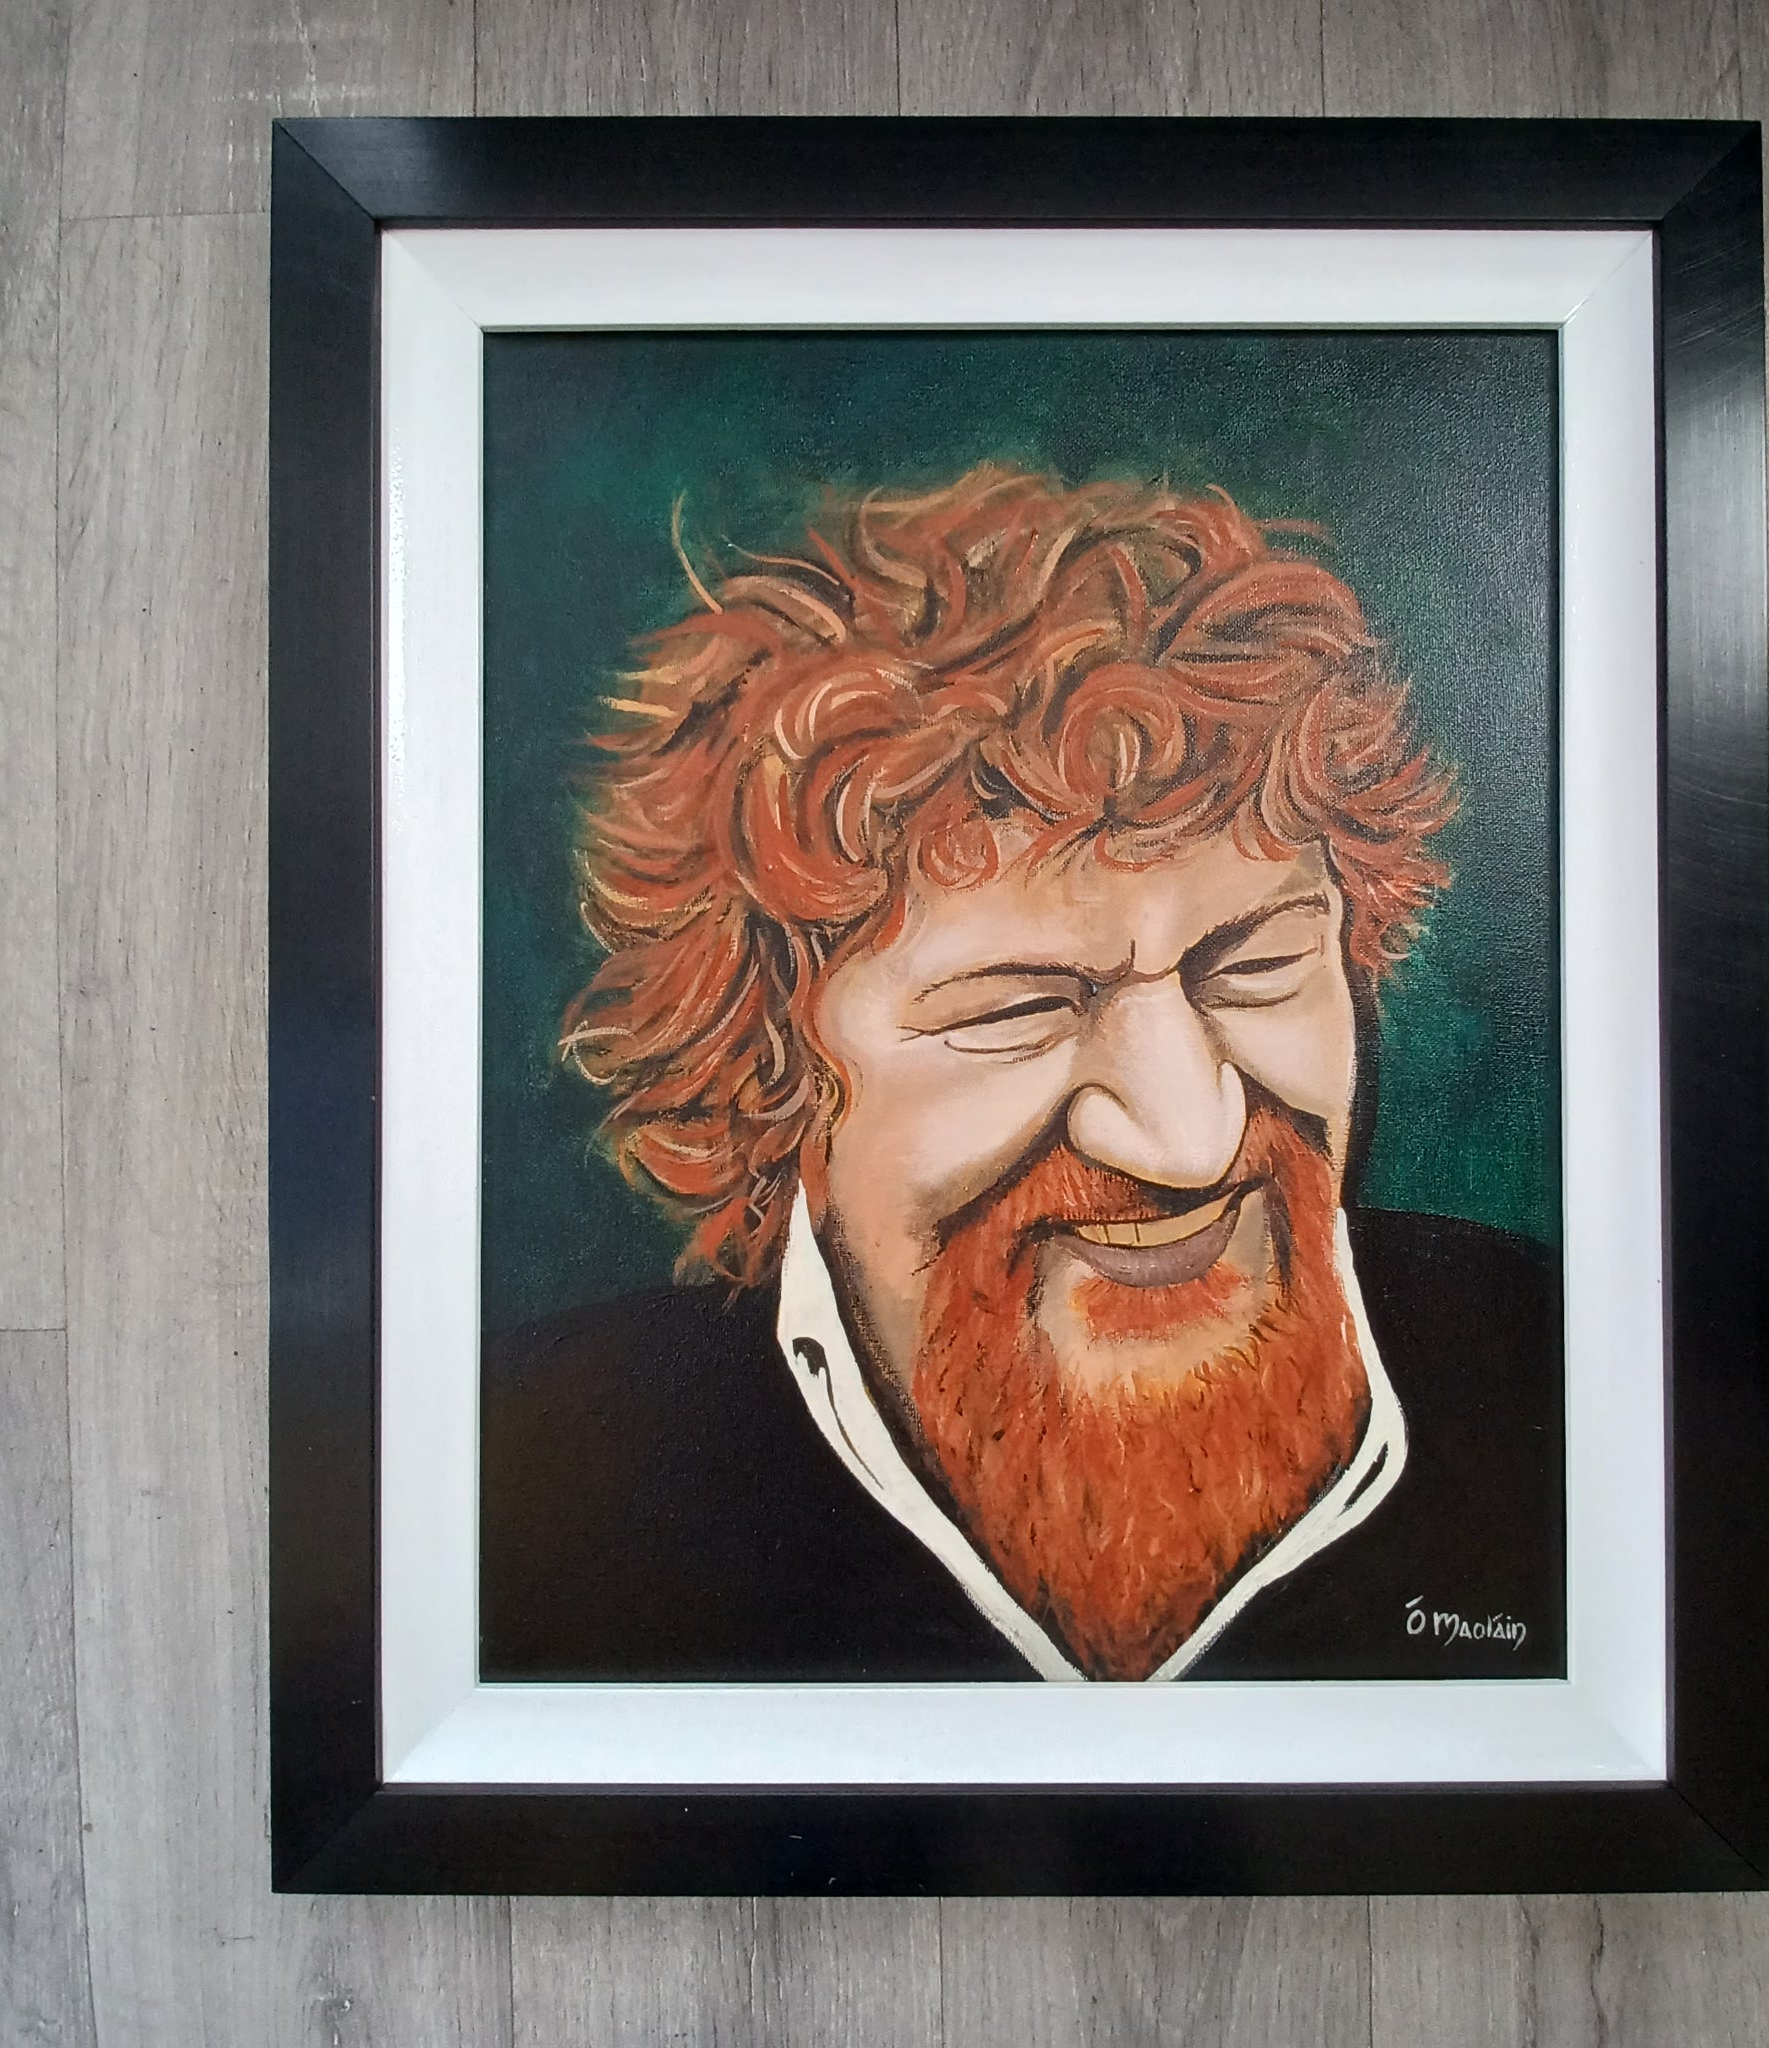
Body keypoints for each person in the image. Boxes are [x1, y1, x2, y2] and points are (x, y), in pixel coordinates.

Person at [482, 466, 1563, 1684]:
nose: (1187, 1139)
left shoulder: (1562, 1370)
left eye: (1255, 966)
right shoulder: (534, 1490)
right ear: (770, 1073)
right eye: (1018, 1009)